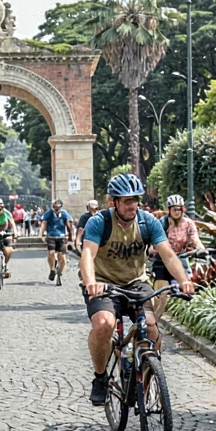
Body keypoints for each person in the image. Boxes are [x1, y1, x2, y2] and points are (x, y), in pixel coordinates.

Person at [79, 174, 196, 406]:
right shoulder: (100, 222)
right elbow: (88, 254)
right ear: (114, 202)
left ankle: (142, 385)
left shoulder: (147, 222)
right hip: (104, 283)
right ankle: (100, 377)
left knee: (151, 330)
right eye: (126, 200)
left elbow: (168, 255)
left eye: (134, 199)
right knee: (103, 325)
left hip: (136, 283)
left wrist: (184, 280)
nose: (131, 205)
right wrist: (91, 282)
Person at [150, 194, 205, 321]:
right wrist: (152, 250)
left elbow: (195, 239)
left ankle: (188, 317)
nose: (177, 212)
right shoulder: (162, 224)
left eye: (179, 209)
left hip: (180, 258)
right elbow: (154, 242)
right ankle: (153, 321)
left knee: (188, 288)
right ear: (168, 210)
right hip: (162, 261)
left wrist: (201, 249)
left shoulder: (188, 223)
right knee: (162, 295)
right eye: (174, 209)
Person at [39, 199, 74, 282]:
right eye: (55, 207)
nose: (56, 209)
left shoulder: (64, 214)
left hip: (62, 237)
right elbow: (44, 223)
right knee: (51, 253)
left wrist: (71, 236)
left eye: (58, 208)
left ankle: (60, 272)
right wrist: (41, 234)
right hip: (51, 236)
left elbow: (69, 225)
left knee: (62, 256)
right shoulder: (49, 213)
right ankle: (52, 270)